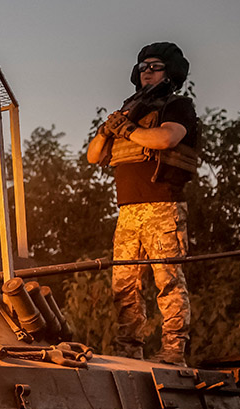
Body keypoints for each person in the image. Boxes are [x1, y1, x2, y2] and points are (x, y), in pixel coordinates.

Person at [87, 42, 200, 366]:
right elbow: (94, 155)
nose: (147, 71)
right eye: (142, 67)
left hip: (162, 205)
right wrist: (111, 129)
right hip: (128, 210)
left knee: (168, 281)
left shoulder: (177, 106)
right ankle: (129, 352)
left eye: (155, 66)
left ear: (170, 72)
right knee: (124, 286)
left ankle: (173, 351)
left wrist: (128, 128)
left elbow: (165, 139)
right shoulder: (129, 111)